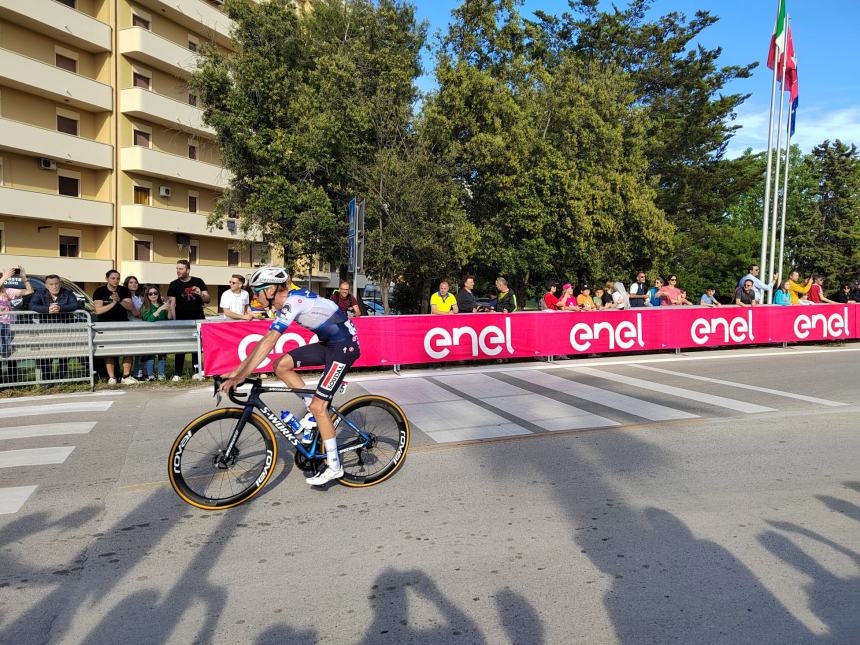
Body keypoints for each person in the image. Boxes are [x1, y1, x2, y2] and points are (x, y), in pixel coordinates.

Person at [220, 266, 360, 486]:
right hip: (329, 343)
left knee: (318, 406)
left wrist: (239, 377)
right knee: (280, 365)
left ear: (270, 290)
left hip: (344, 347)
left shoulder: (293, 302)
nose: (255, 297)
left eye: (257, 291)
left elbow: (268, 343)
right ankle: (313, 412)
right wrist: (237, 372)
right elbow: (262, 342)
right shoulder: (283, 304)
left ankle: (335, 466)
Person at [92, 269, 137, 385]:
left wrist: (119, 300)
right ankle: (112, 377)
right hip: (106, 325)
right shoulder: (99, 291)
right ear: (107, 278)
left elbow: (129, 307)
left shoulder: (124, 290)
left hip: (123, 324)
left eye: (117, 278)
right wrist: (113, 303)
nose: (116, 280)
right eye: (113, 278)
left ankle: (126, 376)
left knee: (128, 350)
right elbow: (98, 310)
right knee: (109, 352)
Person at [167, 259, 209, 380]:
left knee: (197, 345)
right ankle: (177, 373)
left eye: (181, 269)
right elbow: (171, 304)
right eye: (177, 268)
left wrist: (200, 293)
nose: (178, 271)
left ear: (188, 270)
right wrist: (174, 322)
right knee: (180, 346)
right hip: (181, 320)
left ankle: (196, 371)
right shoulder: (173, 284)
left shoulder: (198, 281)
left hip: (197, 318)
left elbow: (207, 300)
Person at [0, 265, 33, 382]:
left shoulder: (7, 291)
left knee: (11, 357)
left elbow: (29, 291)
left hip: (10, 327)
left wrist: (24, 278)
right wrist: (4, 277)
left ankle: (12, 381)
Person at [140, 284, 173, 380]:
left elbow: (168, 318)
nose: (153, 295)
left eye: (155, 293)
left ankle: (161, 374)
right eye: (150, 294)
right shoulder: (145, 307)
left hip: (162, 334)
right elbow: (149, 319)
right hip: (150, 335)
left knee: (162, 355)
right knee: (150, 355)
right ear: (147, 296)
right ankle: (150, 375)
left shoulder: (162, 305)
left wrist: (169, 309)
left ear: (158, 294)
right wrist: (159, 310)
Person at [123, 275, 144, 379]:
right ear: (126, 284)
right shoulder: (126, 297)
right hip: (130, 324)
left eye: (135, 282)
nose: (134, 284)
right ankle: (126, 374)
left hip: (141, 325)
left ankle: (138, 373)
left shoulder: (139, 297)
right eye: (131, 282)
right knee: (130, 351)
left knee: (140, 351)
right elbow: (136, 313)